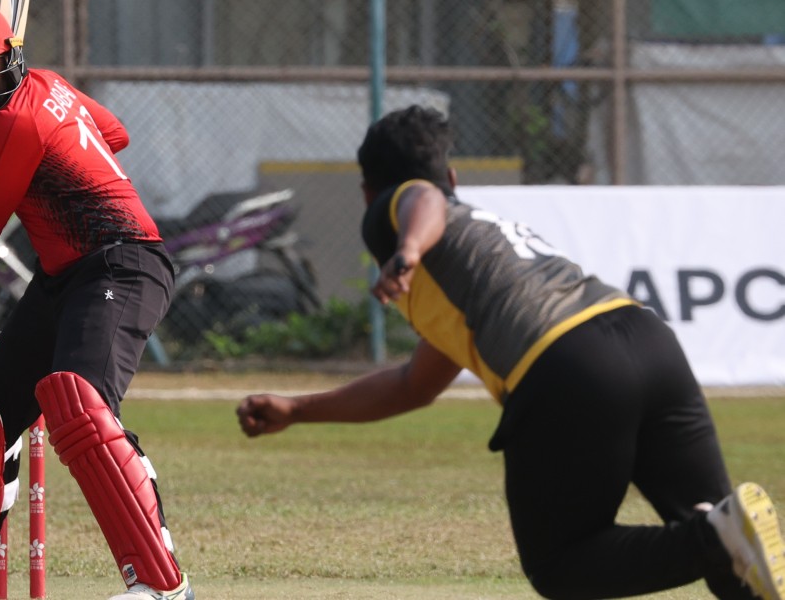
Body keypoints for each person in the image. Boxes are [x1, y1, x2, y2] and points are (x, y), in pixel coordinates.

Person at [236, 105, 785, 600]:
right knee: (739, 560)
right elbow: (414, 385)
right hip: (648, 339)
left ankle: (715, 534)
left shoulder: (404, 206)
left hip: (567, 362)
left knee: (561, 564)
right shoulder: (475, 264)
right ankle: (721, 532)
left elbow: (422, 198)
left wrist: (404, 249)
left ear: (369, 194)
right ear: (455, 174)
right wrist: (298, 409)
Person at [0, 3, 194, 600]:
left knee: (82, 406)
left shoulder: (14, 124)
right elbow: (114, 133)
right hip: (63, 275)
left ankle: (161, 583)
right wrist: (25, 159)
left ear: (9, 57)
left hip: (123, 263)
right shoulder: (50, 86)